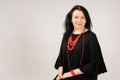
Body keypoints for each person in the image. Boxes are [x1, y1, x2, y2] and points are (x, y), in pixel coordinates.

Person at [54, 5, 107, 80]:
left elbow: (94, 63)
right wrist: (60, 75)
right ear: (71, 19)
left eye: (82, 17)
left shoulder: (91, 37)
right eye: (76, 17)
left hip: (85, 75)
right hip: (66, 74)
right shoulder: (66, 35)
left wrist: (70, 74)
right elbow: (61, 58)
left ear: (86, 20)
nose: (79, 20)